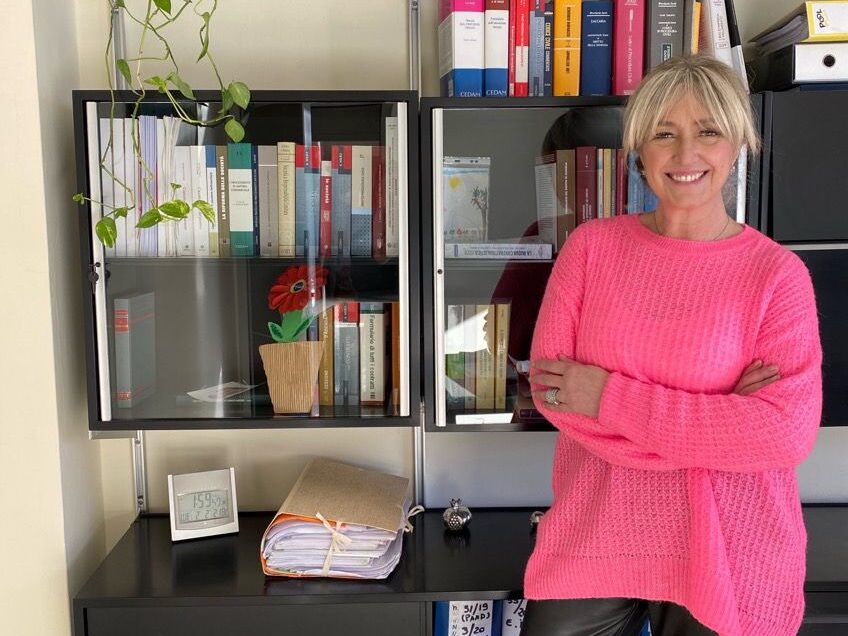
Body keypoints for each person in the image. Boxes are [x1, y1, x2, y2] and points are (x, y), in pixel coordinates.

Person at [521, 54, 823, 636]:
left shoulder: (776, 276)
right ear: (640, 150)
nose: (686, 155)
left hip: (730, 546)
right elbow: (552, 392)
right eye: (664, 134)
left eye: (707, 132)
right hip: (595, 535)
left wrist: (606, 394)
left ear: (737, 144)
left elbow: (784, 434)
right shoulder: (591, 250)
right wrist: (721, 419)